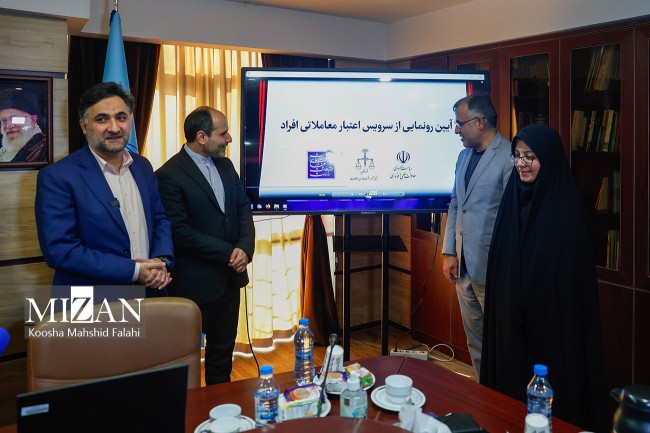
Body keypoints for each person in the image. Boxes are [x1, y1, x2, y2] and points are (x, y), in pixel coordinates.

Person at [480, 124, 609, 432]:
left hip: (552, 330)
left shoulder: (567, 214)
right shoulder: (511, 201)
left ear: (548, 159)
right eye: (517, 156)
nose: (521, 163)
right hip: (513, 326)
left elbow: (571, 285)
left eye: (530, 157)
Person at [34, 82, 173, 294]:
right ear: (84, 126)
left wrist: (160, 260)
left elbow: (160, 218)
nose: (114, 128)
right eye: (102, 119)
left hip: (151, 290)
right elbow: (61, 250)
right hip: (92, 300)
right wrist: (134, 271)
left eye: (121, 117)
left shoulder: (143, 166)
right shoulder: (57, 177)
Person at [155, 106, 255, 384]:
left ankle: (220, 406)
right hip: (194, 285)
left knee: (222, 358)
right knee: (184, 362)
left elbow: (242, 208)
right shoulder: (168, 175)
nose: (229, 139)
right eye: (223, 134)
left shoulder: (226, 166)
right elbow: (179, 232)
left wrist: (245, 248)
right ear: (201, 137)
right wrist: (228, 253)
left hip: (230, 280)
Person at [441, 94, 512, 379]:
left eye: (460, 124)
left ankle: (502, 396)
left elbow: (511, 218)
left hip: (493, 268)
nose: (456, 130)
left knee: (502, 341)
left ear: (480, 122)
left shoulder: (509, 157)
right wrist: (449, 251)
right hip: (462, 266)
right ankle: (484, 393)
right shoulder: (463, 157)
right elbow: (456, 203)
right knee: (476, 341)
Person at [0, 88, 48, 163]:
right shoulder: (2, 151)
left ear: (33, 120)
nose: (8, 126)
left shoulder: (45, 149)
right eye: (3, 120)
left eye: (15, 118)